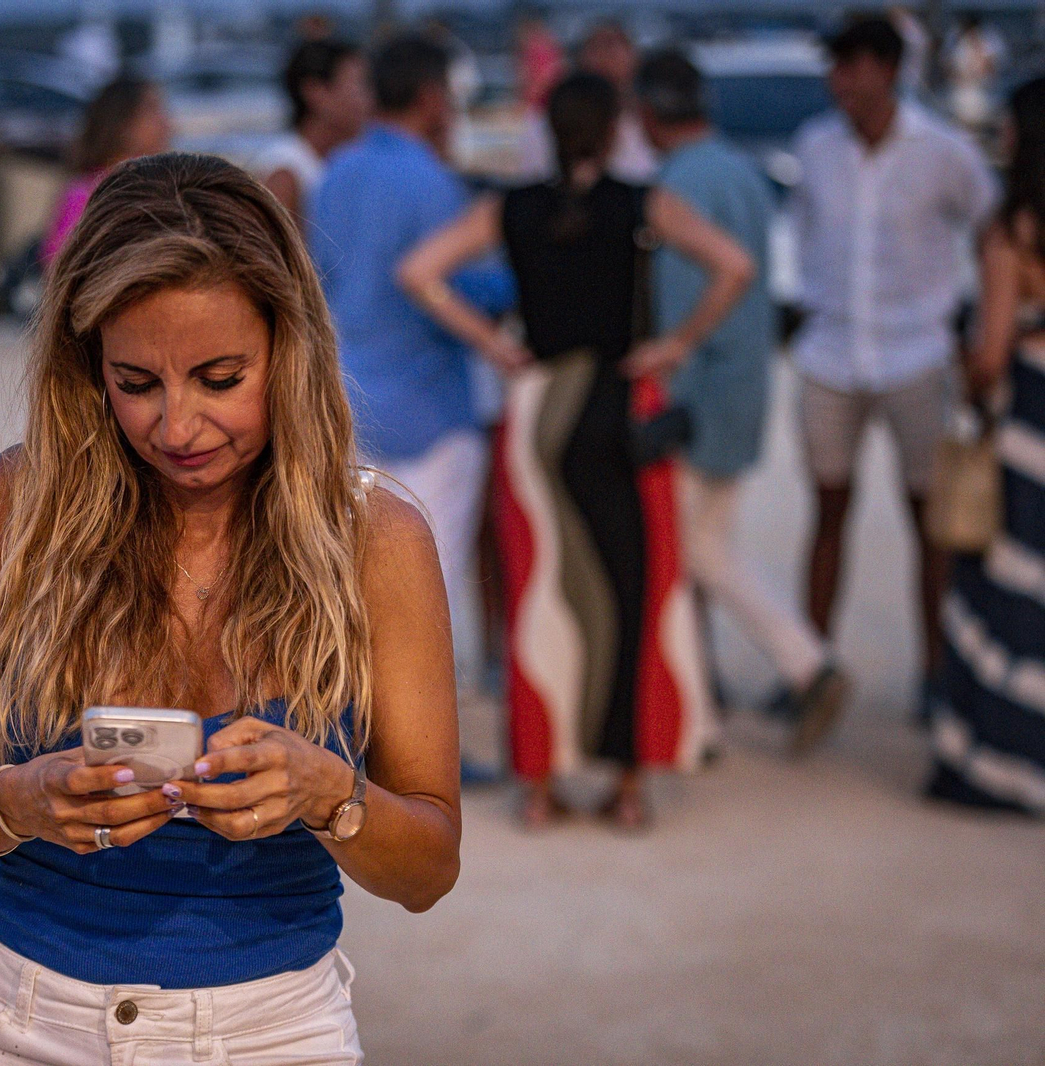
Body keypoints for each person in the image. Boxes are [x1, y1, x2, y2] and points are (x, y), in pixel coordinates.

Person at [0, 153, 463, 1065]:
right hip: (14, 1022)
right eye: (135, 383)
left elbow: (431, 867)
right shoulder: (20, 502)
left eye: (219, 377)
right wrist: (23, 799)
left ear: (290, 348)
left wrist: (328, 794)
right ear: (87, 367)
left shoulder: (378, 537)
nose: (177, 427)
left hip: (276, 1033)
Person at [397, 72, 750, 830]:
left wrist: (496, 344)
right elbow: (737, 266)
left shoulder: (510, 206)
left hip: (538, 415)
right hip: (620, 407)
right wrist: (676, 346)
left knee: (538, 598)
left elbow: (418, 273)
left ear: (549, 129)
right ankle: (626, 787)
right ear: (615, 124)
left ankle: (538, 788)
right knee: (633, 592)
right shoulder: (642, 202)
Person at [309, 35, 515, 779]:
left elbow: (318, 281)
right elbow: (478, 289)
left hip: (347, 403)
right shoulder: (435, 183)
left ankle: (351, 741)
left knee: (350, 585)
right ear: (431, 98)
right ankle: (430, 759)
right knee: (435, 590)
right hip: (429, 407)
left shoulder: (336, 173)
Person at [636, 49, 851, 753]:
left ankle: (802, 665)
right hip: (743, 386)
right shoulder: (743, 172)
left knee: (697, 554)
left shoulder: (676, 186)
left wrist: (669, 382)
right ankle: (718, 692)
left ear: (648, 115)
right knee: (709, 546)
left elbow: (677, 307)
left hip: (696, 392)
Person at [791, 16, 998, 731]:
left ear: (886, 69)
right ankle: (810, 666)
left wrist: (978, 322)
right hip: (831, 352)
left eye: (849, 66)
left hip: (917, 354)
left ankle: (935, 673)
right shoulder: (816, 147)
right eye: (835, 66)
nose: (838, 81)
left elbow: (991, 225)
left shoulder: (942, 151)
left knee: (928, 524)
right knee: (827, 512)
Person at [927, 76, 1045, 815]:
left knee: (1008, 586)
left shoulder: (1012, 231)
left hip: (1030, 419)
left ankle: (1000, 759)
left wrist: (971, 378)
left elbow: (991, 354)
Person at [40, 76, 171, 267]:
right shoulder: (86, 196)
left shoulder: (156, 185)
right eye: (152, 110)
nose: (166, 123)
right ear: (124, 123)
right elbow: (63, 270)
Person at [253, 38, 371, 231]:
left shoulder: (341, 161)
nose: (369, 100)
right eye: (359, 86)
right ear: (316, 93)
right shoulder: (286, 174)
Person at [576, 20, 657, 182]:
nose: (606, 54)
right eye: (596, 46)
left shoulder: (655, 121)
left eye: (613, 44)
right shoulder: (564, 123)